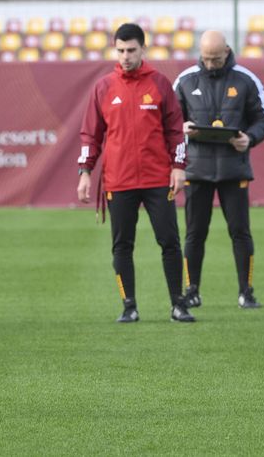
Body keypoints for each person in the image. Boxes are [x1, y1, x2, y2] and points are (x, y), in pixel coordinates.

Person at [77, 22, 194, 324]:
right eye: (120, 50)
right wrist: (85, 171)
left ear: (143, 49)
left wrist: (179, 167)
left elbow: (175, 131)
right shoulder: (103, 87)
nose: (125, 56)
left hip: (158, 178)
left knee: (169, 241)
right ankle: (129, 306)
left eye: (131, 50)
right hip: (119, 180)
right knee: (122, 245)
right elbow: (90, 135)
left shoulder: (160, 83)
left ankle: (178, 305)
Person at [173, 30, 264, 309]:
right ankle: (191, 290)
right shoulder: (185, 80)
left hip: (234, 169)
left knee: (240, 232)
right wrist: (181, 128)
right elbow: (168, 120)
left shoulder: (246, 79)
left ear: (227, 51)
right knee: (194, 234)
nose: (210, 64)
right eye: (206, 58)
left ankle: (246, 292)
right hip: (196, 169)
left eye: (216, 59)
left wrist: (249, 138)